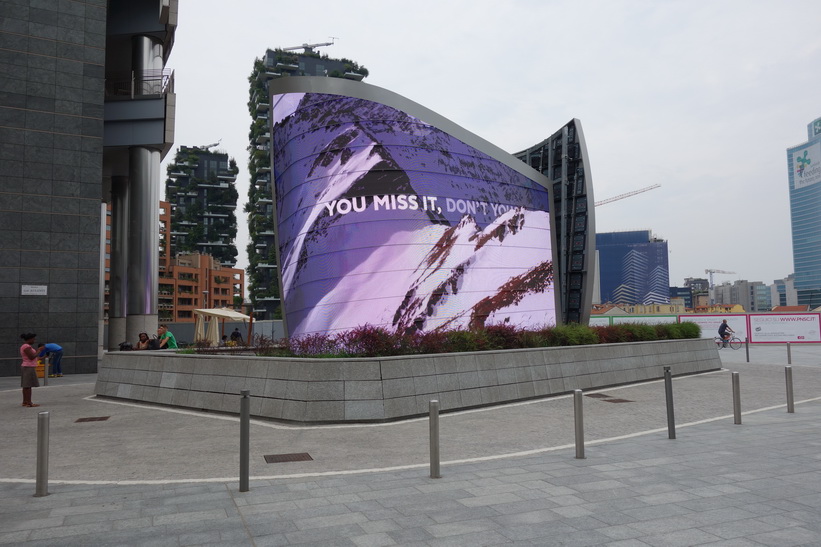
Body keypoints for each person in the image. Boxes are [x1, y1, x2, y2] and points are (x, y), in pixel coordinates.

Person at [19, 333, 40, 407]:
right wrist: (39, 350)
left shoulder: (25, 346)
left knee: (26, 385)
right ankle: (29, 402)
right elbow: (31, 357)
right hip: (28, 367)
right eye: (33, 339)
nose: (34, 340)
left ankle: (25, 401)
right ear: (29, 339)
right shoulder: (26, 346)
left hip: (27, 366)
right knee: (28, 385)